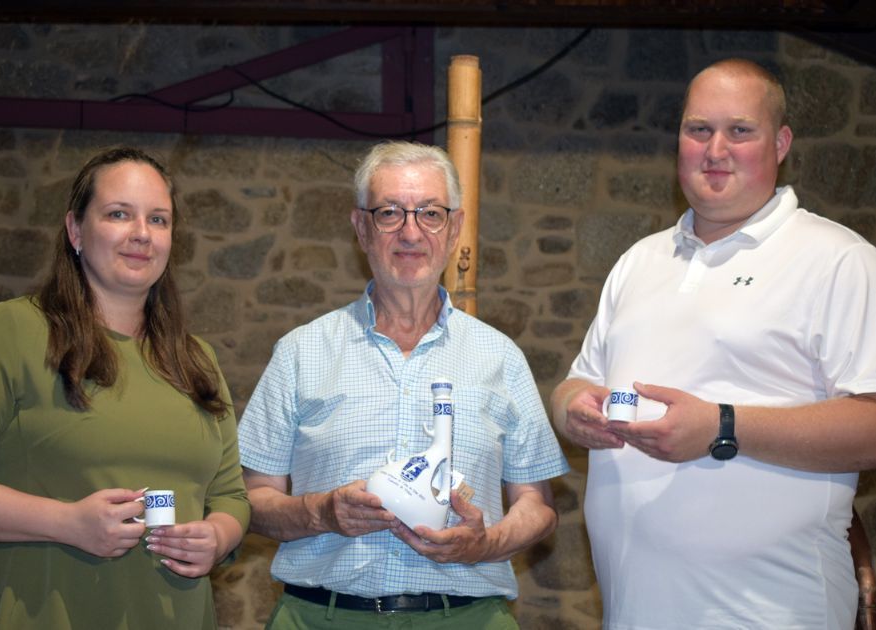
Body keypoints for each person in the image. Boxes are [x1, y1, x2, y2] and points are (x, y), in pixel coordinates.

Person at [551, 57, 876, 629]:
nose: (715, 148)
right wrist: (571, 410)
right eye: (698, 129)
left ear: (780, 143)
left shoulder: (839, 260)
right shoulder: (640, 260)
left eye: (739, 131)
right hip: (633, 612)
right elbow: (579, 380)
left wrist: (722, 427)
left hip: (770, 613)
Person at [239, 140, 567, 629]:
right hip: (321, 618)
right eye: (390, 212)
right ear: (361, 228)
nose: (410, 231)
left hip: (467, 618)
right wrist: (322, 512)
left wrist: (484, 544)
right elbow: (248, 501)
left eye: (430, 213)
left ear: (454, 228)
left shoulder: (501, 357)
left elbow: (536, 505)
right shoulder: (300, 352)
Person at [0, 147, 250, 629]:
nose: (142, 234)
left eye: (159, 220)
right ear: (76, 230)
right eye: (119, 214)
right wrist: (66, 523)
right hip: (38, 612)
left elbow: (230, 496)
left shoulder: (196, 359)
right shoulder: (15, 330)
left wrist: (218, 537)